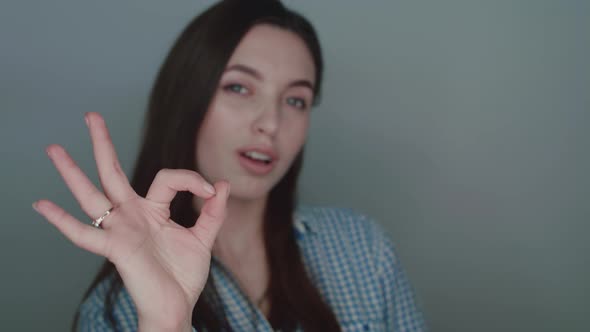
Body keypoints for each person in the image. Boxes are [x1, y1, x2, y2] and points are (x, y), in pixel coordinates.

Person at [33, 1, 426, 331]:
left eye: (296, 100)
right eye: (239, 87)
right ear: (190, 99)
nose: (270, 124)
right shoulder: (112, 314)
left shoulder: (364, 248)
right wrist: (166, 322)